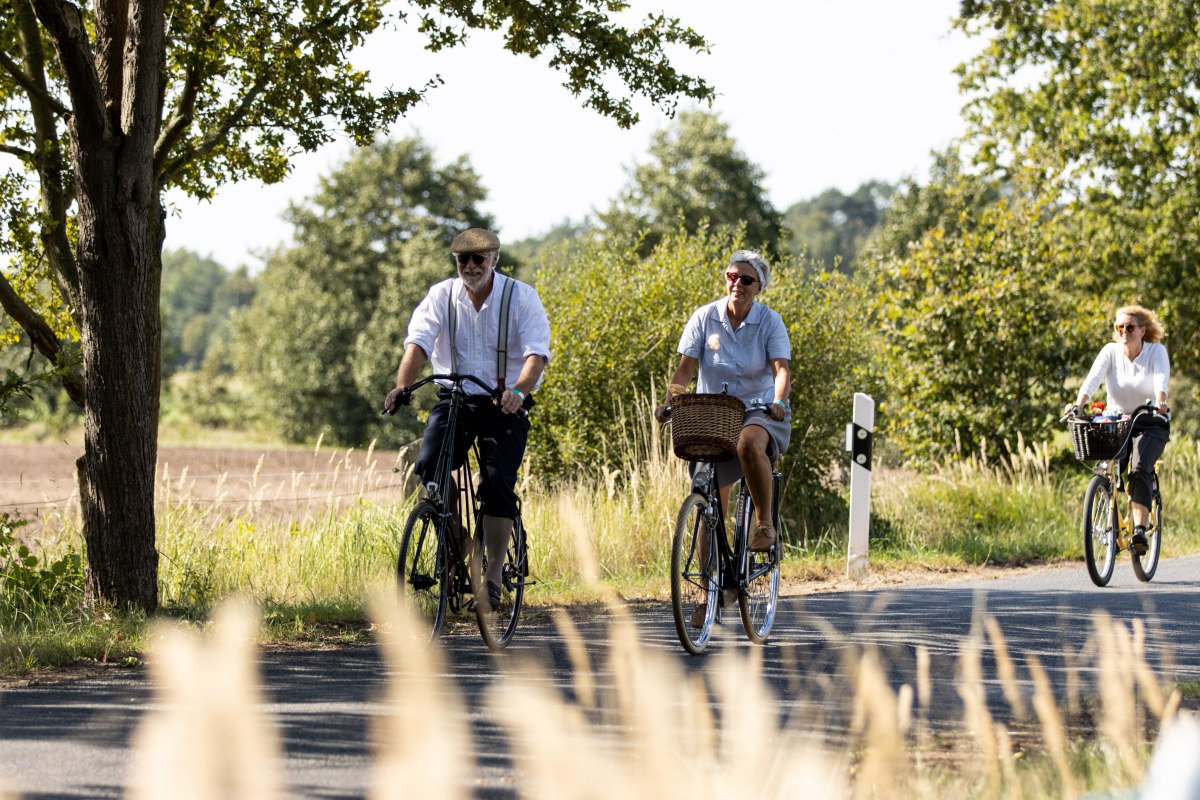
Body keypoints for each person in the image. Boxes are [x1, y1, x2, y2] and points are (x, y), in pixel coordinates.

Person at [383, 227, 551, 611]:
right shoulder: (441, 296)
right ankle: (459, 546)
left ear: (494, 259)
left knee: (496, 483)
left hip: (504, 402)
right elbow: (418, 343)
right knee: (430, 468)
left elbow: (536, 355)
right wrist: (402, 386)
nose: (471, 266)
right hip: (455, 399)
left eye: (479, 259)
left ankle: (491, 578)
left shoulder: (520, 296)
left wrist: (518, 392)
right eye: (463, 260)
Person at [655, 248, 792, 574]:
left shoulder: (769, 321)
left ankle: (764, 524)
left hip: (758, 409)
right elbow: (684, 370)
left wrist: (779, 402)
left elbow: (781, 370)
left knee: (748, 443)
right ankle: (709, 586)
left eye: (746, 279)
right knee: (709, 496)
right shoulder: (704, 317)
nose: (737, 284)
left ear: (758, 287)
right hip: (713, 414)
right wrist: (671, 402)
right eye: (732, 276)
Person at [1067, 305, 1171, 555]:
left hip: (1150, 420)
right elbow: (1092, 379)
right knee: (1108, 467)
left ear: (1142, 330)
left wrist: (1161, 401)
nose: (1124, 331)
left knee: (1139, 467)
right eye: (1120, 327)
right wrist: (1078, 404)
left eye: (1130, 327)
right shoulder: (1110, 352)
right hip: (1118, 421)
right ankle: (1111, 521)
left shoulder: (1156, 352)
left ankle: (1139, 530)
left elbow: (1161, 378)